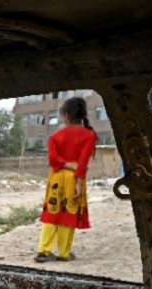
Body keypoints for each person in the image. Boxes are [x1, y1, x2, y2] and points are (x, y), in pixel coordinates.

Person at [35, 97, 98, 262]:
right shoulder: (89, 135)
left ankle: (44, 251)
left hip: (56, 175)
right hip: (75, 178)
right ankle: (64, 253)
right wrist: (78, 182)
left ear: (66, 115)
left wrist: (66, 165)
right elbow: (83, 162)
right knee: (69, 212)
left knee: (52, 212)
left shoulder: (56, 135)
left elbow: (53, 159)